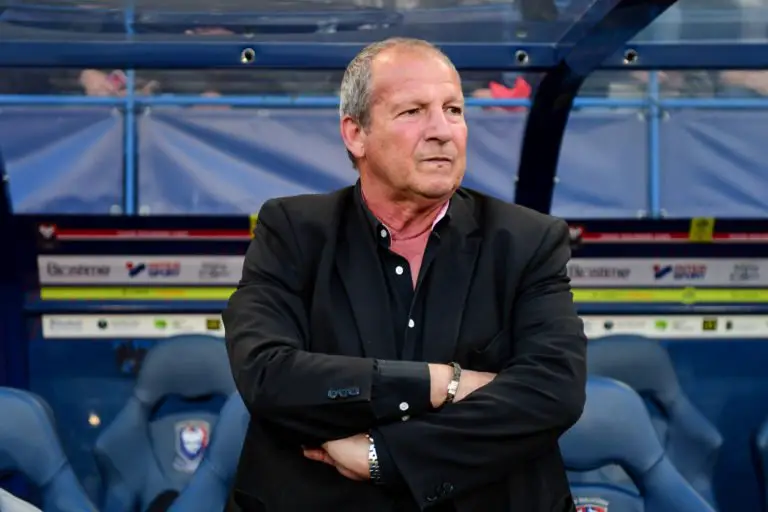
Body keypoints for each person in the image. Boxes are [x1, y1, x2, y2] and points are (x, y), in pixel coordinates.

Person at [223, 37, 587, 512]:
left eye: (453, 110)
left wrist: (384, 455)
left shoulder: (527, 240)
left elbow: (552, 392)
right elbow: (268, 375)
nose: (442, 131)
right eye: (413, 111)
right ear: (356, 134)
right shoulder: (293, 231)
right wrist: (445, 383)